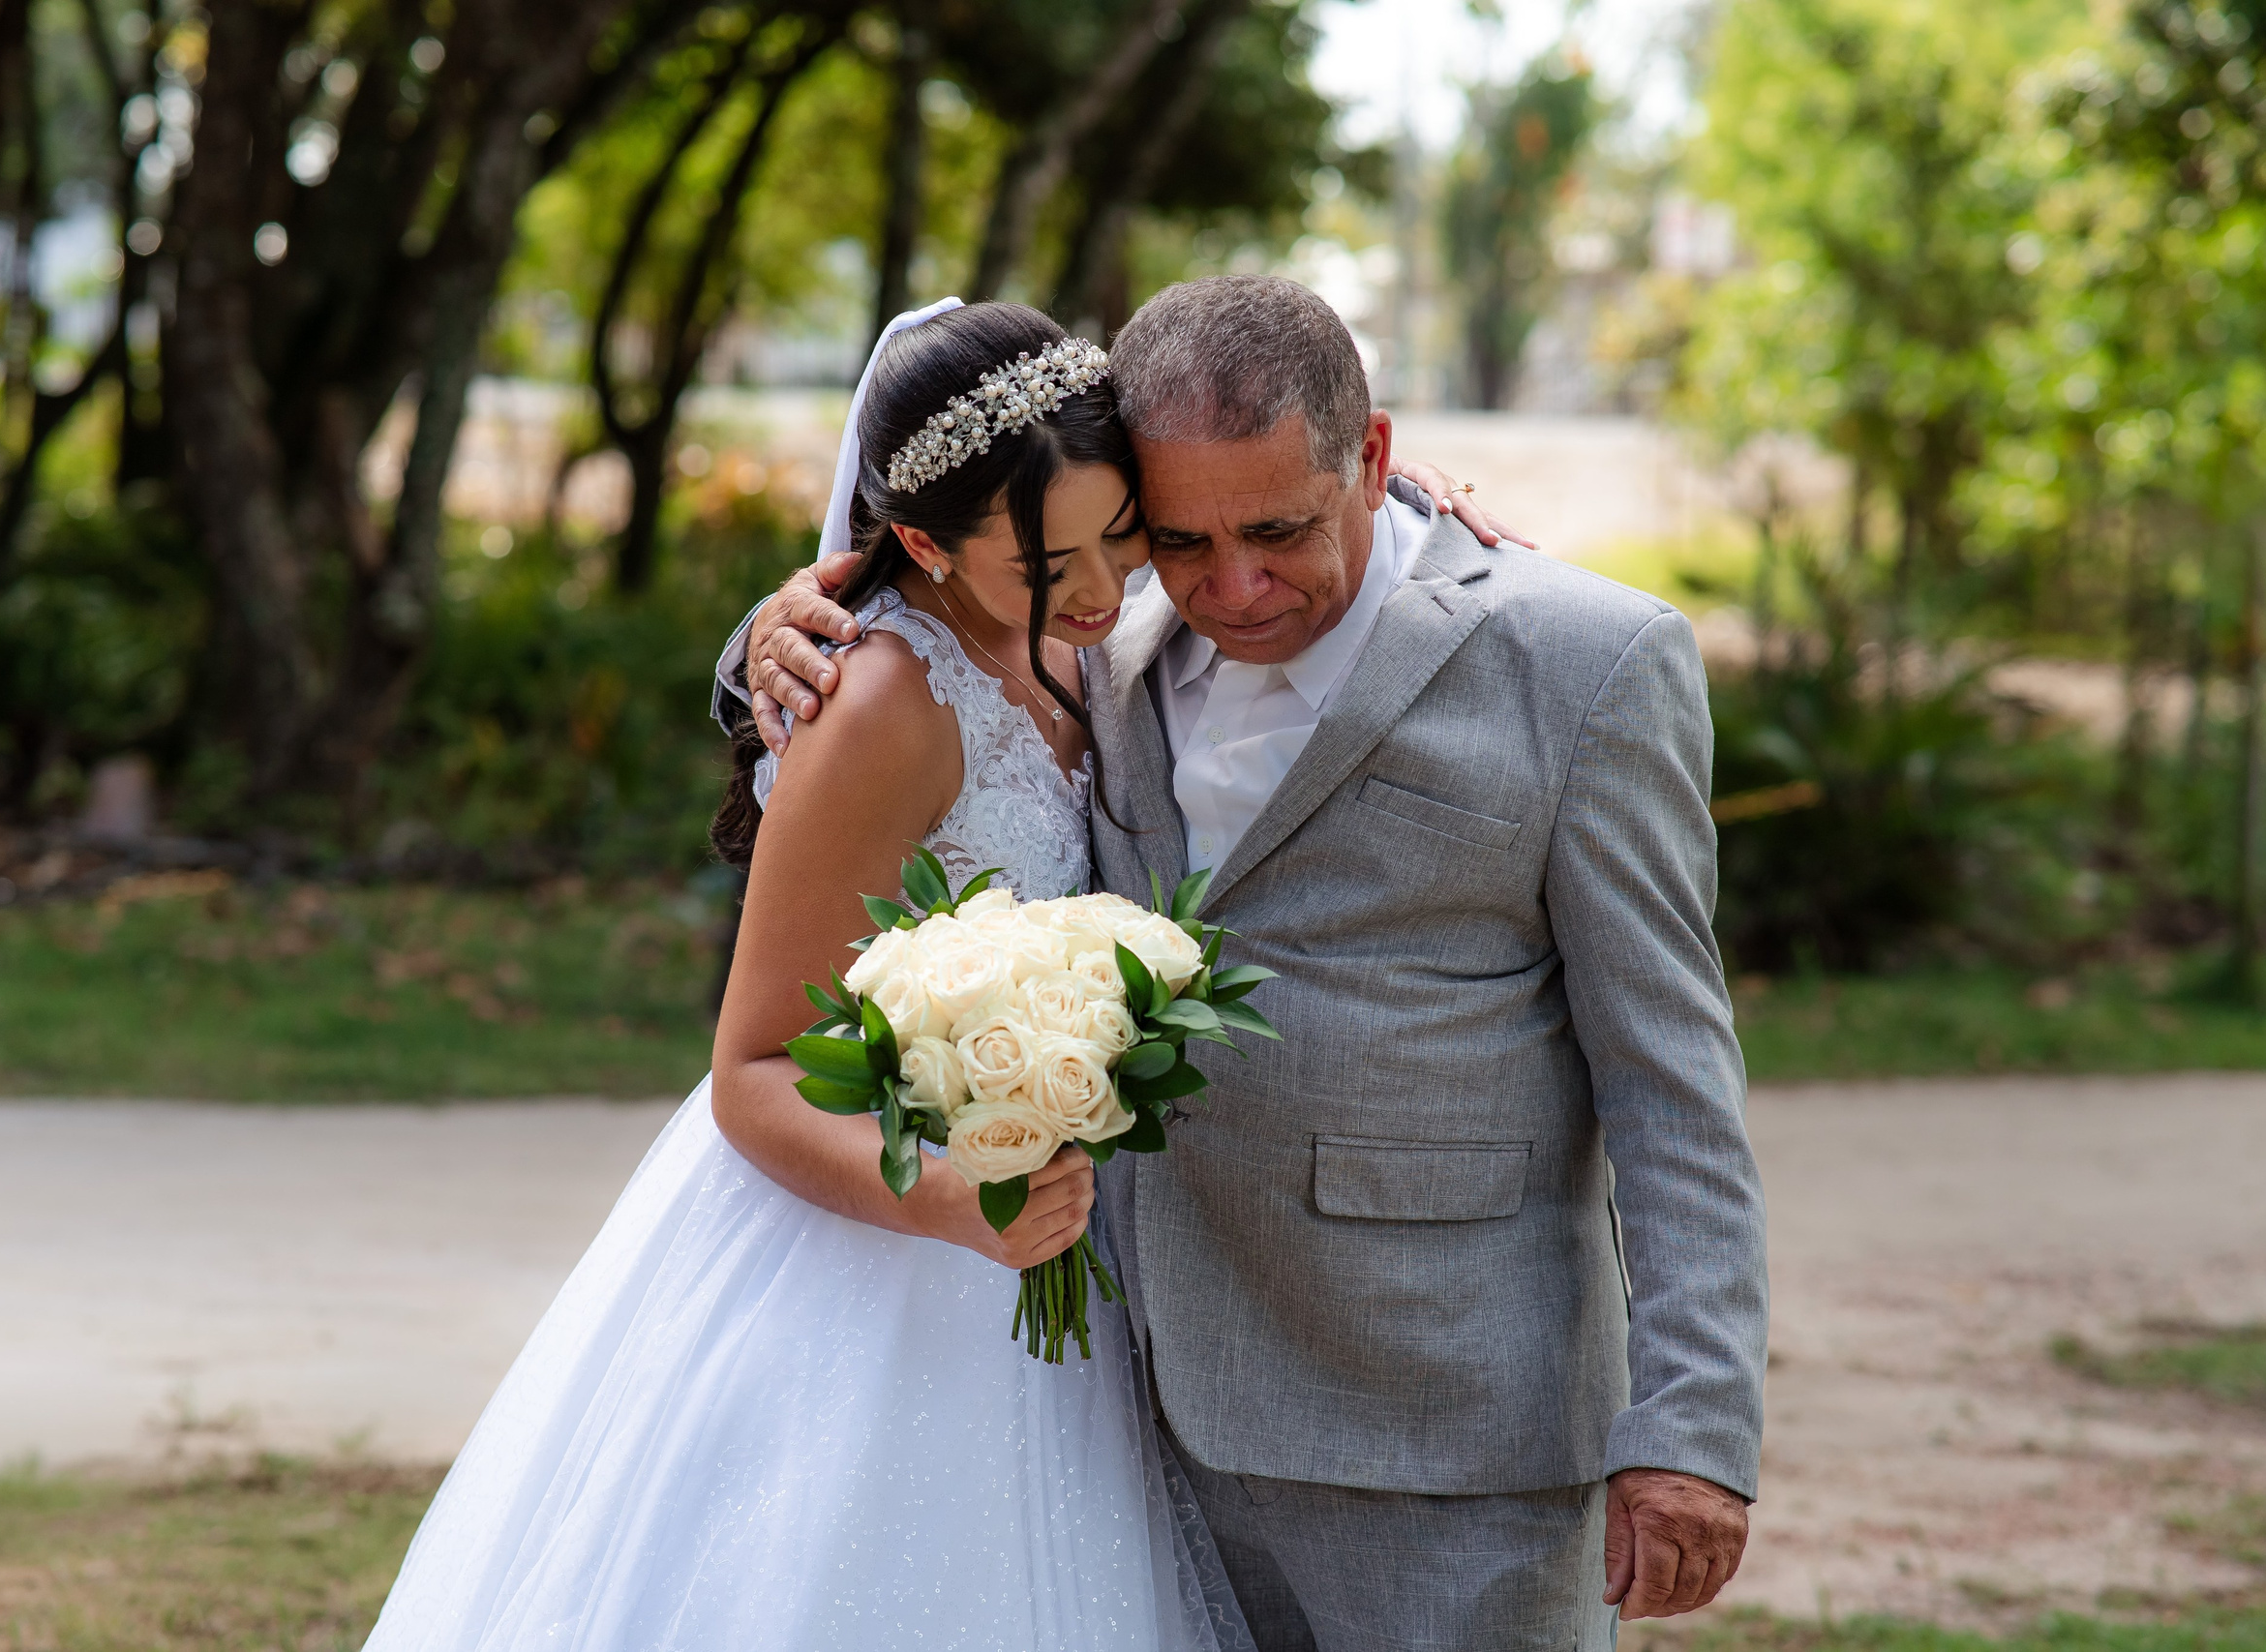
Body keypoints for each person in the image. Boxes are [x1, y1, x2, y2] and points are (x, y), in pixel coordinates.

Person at [739, 274, 1770, 1652]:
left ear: (1379, 461)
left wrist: (1693, 1425)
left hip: (1454, 1437)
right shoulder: (1110, 644)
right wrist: (763, 639)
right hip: (1138, 1410)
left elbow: (1672, 1076)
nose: (1234, 586)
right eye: (1182, 538)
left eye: (1282, 529)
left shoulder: (1581, 663)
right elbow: (935, 648)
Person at [362, 300, 1249, 1652]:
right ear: (919, 542)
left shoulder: (1076, 642)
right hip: (888, 1247)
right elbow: (752, 1072)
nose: (1096, 596)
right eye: (1045, 562)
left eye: (1119, 534)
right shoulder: (886, 706)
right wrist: (958, 1202)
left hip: (1050, 1222)